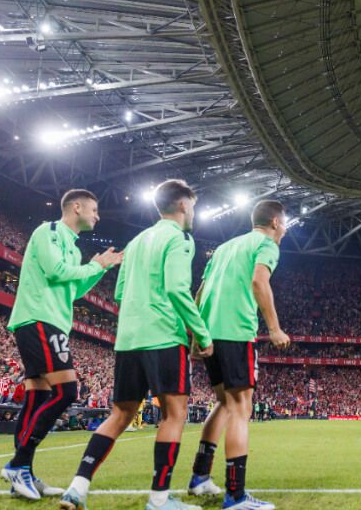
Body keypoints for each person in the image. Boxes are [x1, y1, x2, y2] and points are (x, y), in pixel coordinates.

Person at [60, 179, 213, 510]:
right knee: (175, 413)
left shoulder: (138, 240)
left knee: (120, 414)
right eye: (194, 205)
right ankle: (159, 499)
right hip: (163, 336)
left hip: (128, 339)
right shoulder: (179, 239)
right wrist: (202, 335)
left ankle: (77, 488)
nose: (194, 211)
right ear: (184, 205)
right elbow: (176, 288)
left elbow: (118, 293)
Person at [2, 189, 122, 499]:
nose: (97, 215)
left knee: (37, 395)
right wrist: (96, 267)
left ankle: (23, 472)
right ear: (77, 207)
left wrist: (100, 267)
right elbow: (56, 273)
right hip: (40, 319)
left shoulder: (72, 245)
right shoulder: (49, 231)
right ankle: (18, 464)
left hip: (50, 320)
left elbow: (76, 289)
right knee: (67, 391)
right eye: (94, 209)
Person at [187, 200, 291, 510]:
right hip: (235, 331)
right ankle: (235, 496)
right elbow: (259, 281)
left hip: (209, 332)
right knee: (241, 409)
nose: (284, 229)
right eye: (284, 224)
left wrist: (196, 333)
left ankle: (200, 477)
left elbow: (201, 291)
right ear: (274, 222)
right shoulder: (267, 244)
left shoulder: (225, 247)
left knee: (224, 403)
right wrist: (274, 328)